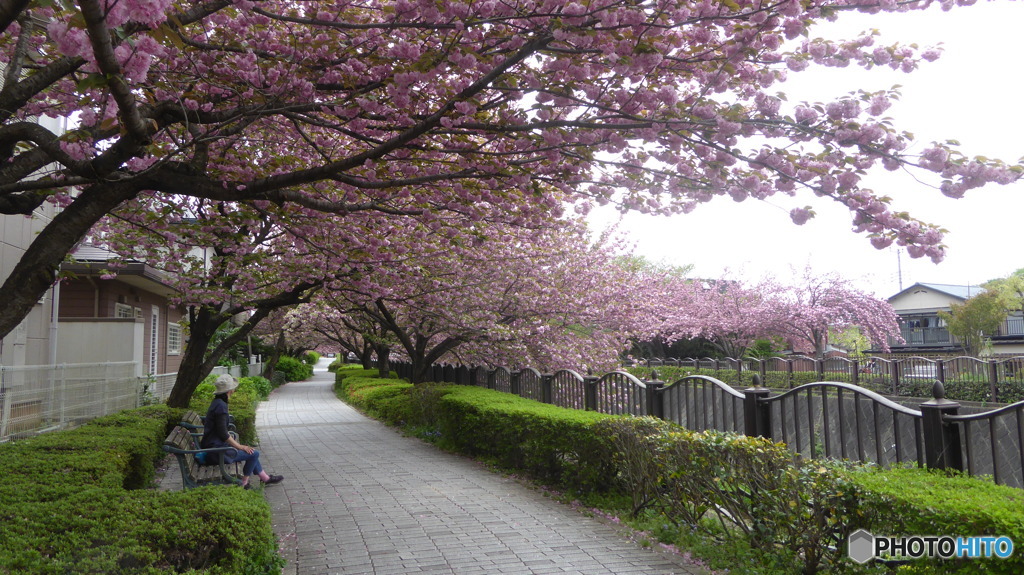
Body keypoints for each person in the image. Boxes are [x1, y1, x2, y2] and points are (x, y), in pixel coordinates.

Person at [201, 374, 283, 489]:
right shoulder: (221, 407)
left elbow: (220, 431)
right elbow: (223, 433)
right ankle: (244, 483)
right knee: (254, 454)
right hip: (217, 452)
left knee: (251, 451)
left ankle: (265, 478)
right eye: (233, 387)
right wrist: (240, 447)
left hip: (214, 448)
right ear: (230, 390)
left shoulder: (218, 403)